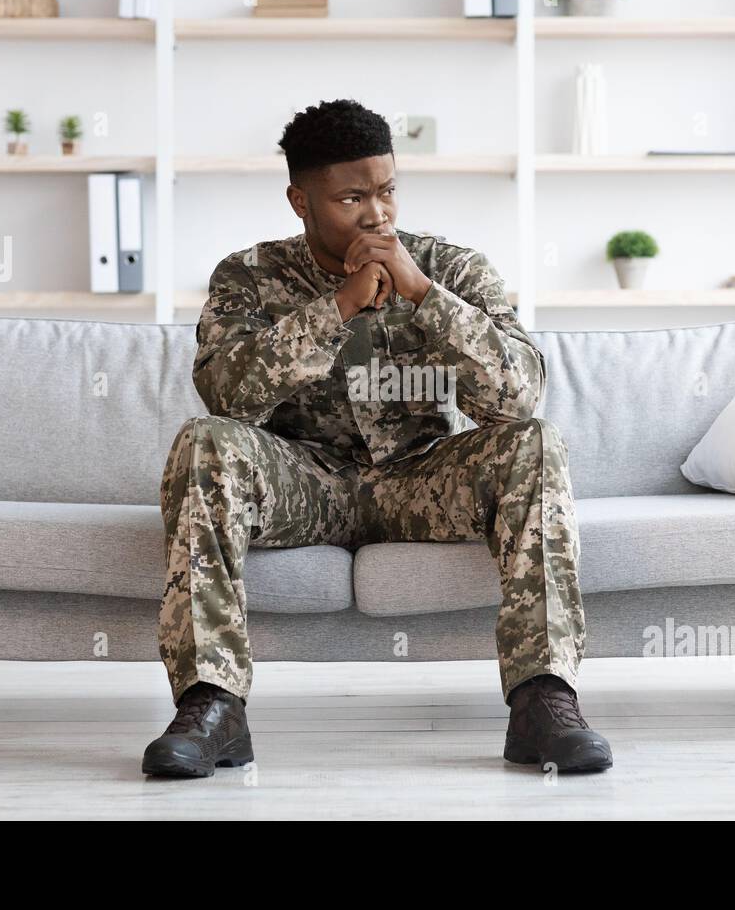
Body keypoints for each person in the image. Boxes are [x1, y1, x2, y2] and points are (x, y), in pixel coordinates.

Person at [143, 98, 612, 778]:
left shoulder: (450, 268)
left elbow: (515, 399)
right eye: (351, 197)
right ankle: (212, 705)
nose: (376, 214)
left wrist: (426, 297)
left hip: (419, 480)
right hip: (306, 481)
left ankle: (544, 700)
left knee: (534, 442)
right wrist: (334, 309)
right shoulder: (246, 276)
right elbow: (228, 396)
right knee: (206, 441)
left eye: (387, 190)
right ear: (300, 201)